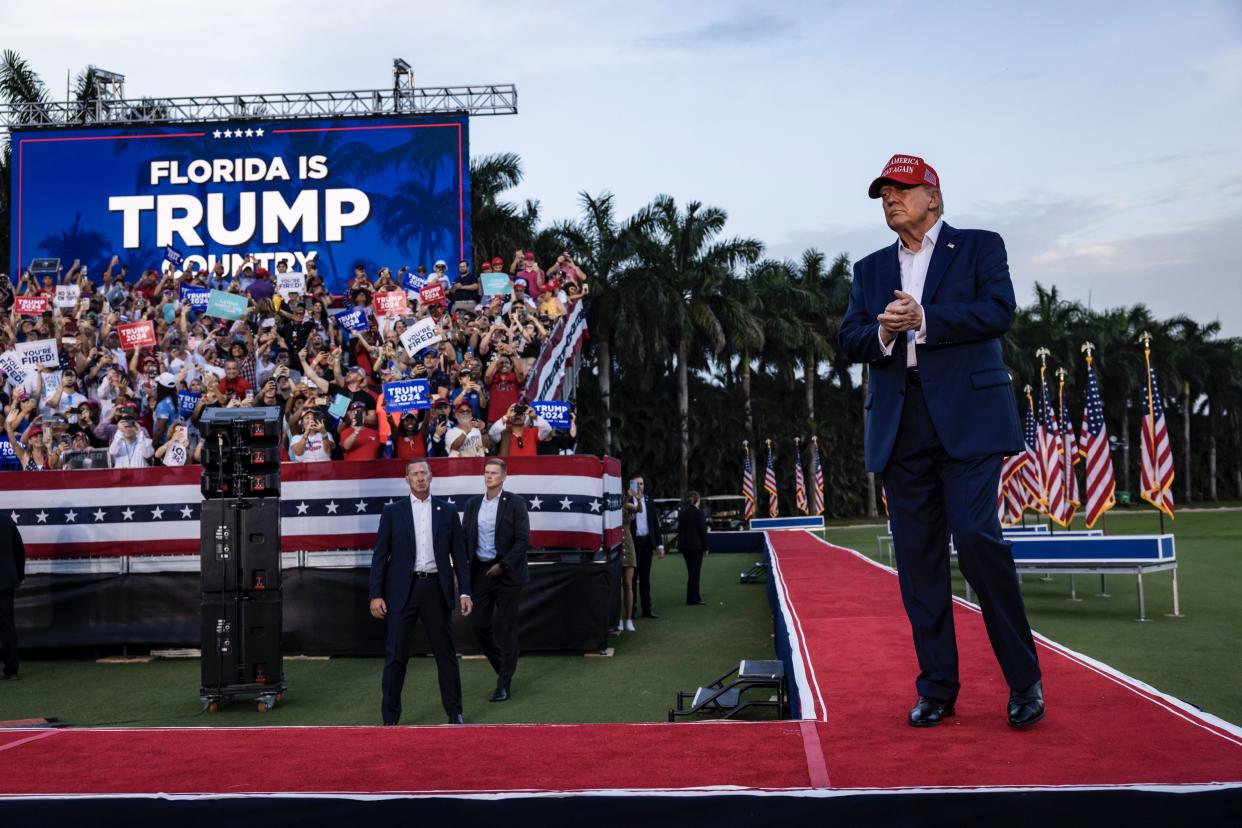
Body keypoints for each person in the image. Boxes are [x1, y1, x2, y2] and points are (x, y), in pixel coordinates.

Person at [837, 153, 1043, 729]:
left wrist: (924, 320)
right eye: (884, 192)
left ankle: (1024, 679)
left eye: (901, 189)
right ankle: (938, 689)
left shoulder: (980, 246)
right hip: (901, 427)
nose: (890, 199)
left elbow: (998, 311)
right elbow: (849, 336)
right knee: (919, 563)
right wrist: (882, 329)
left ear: (934, 195)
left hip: (970, 421)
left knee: (977, 539)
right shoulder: (870, 268)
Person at [368, 459, 473, 725]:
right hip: (402, 590)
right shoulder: (393, 512)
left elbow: (459, 556)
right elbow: (380, 556)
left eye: (423, 473)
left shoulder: (447, 511)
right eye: (414, 474)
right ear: (407, 479)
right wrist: (375, 594)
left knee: (445, 654)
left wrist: (465, 592)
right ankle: (389, 718)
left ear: (431, 476)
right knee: (395, 655)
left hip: (436, 589)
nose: (419, 478)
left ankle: (454, 712)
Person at [462, 458, 530, 703]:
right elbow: (464, 539)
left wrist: (503, 565)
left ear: (504, 477)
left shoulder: (515, 503)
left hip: (508, 573)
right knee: (479, 625)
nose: (489, 476)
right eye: (486, 472)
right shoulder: (472, 505)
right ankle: (504, 666)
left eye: (494, 473)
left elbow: (523, 540)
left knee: (507, 628)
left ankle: (504, 683)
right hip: (481, 572)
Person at [629, 476, 665, 619]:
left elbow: (655, 524)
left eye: (642, 484)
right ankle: (631, 611)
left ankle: (647, 610)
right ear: (632, 485)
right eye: (637, 484)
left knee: (645, 578)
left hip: (647, 543)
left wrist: (659, 545)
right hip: (632, 543)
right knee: (632, 579)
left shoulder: (649, 501)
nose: (640, 486)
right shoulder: (627, 501)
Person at [0, 511, 24, 680]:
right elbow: (19, 550)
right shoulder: (6, 520)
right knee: (7, 625)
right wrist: (19, 574)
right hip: (5, 580)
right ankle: (11, 669)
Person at [677, 491, 710, 606]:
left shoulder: (682, 513)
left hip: (685, 546)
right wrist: (706, 547)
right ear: (697, 500)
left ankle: (692, 597)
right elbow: (703, 530)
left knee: (692, 572)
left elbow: (680, 530)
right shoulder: (699, 513)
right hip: (696, 547)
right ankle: (694, 598)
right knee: (695, 573)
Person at [618, 484, 640, 632]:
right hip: (615, 546)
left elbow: (639, 510)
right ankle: (617, 618)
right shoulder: (610, 507)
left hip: (628, 544)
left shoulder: (627, 505)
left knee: (628, 583)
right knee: (616, 585)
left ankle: (628, 618)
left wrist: (638, 499)